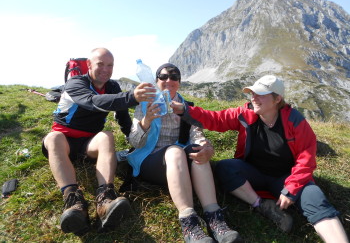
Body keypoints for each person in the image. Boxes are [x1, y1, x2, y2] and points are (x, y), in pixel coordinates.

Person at [171, 75, 349, 243]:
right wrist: (185, 110)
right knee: (226, 168)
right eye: (252, 93)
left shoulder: (295, 121)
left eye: (260, 94)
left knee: (315, 199)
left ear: (277, 99)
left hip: (286, 179)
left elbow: (306, 158)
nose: (253, 98)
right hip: (253, 173)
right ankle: (263, 206)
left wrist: (291, 189)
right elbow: (216, 119)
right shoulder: (245, 114)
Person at [42, 48, 154, 235]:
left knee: (106, 136)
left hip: (88, 144)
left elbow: (122, 117)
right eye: (100, 64)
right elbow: (92, 101)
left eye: (109, 65)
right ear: (89, 65)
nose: (105, 69)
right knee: (53, 137)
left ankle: (105, 199)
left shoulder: (112, 87)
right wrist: (131, 97)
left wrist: (131, 139)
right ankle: (73, 201)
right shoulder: (76, 83)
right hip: (64, 144)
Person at [126, 63, 242, 243]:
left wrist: (205, 146)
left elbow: (197, 135)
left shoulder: (186, 107)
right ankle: (189, 222)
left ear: (179, 82)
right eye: (163, 76)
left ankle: (214, 216)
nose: (168, 80)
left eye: (174, 77)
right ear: (156, 81)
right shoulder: (144, 105)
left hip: (179, 164)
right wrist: (147, 120)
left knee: (197, 150)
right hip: (150, 161)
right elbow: (134, 142)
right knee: (175, 151)